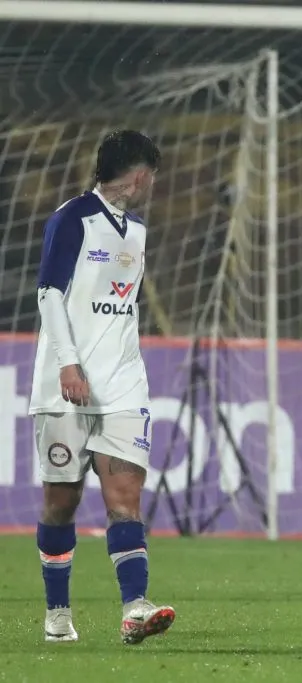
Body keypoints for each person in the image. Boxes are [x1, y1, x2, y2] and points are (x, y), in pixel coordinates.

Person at [29, 129, 175, 644]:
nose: (151, 184)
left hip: (124, 386)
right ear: (139, 175)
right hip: (65, 387)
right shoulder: (72, 219)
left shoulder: (137, 232)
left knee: (125, 498)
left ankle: (135, 609)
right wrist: (69, 364)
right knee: (61, 503)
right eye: (151, 175)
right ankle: (57, 613)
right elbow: (49, 293)